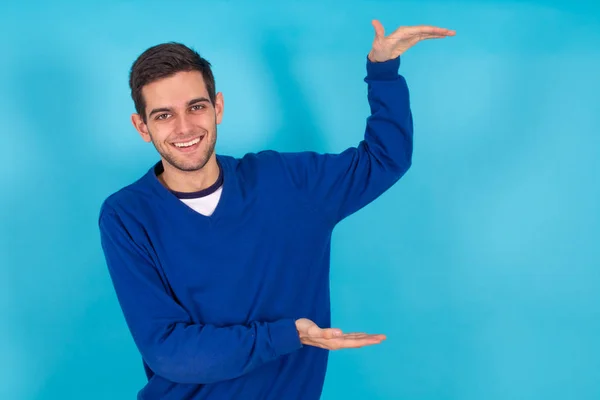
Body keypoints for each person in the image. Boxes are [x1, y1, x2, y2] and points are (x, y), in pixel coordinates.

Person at [98, 19, 455, 400]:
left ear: (217, 107)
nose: (185, 128)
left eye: (196, 107)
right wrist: (287, 335)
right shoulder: (127, 216)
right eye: (164, 115)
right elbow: (171, 352)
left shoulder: (288, 183)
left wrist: (383, 71)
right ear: (142, 126)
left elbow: (384, 160)